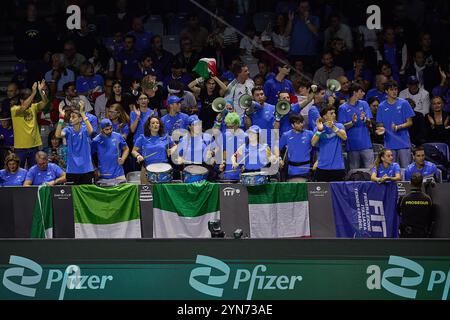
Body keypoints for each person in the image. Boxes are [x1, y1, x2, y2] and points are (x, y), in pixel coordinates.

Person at [375, 81, 415, 168]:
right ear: (386, 91)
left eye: (396, 89)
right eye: (391, 90)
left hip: (404, 143)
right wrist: (380, 130)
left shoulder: (404, 103)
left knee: (406, 169)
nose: (394, 92)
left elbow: (410, 122)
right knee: (392, 170)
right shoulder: (381, 106)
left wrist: (398, 127)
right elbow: (380, 124)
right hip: (389, 144)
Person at [11, 80, 48, 168]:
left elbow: (45, 102)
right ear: (21, 100)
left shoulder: (33, 107)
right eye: (28, 98)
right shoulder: (14, 109)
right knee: (19, 171)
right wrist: (33, 93)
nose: (31, 100)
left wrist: (40, 91)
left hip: (34, 146)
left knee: (34, 171)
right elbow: (23, 107)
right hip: (20, 147)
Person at [55, 101, 94, 185]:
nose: (70, 119)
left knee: (87, 195)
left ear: (80, 119)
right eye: (70, 117)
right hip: (72, 170)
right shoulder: (68, 130)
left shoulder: (84, 129)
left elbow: (91, 131)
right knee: (71, 196)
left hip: (86, 170)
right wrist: (61, 118)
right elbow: (57, 135)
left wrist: (82, 113)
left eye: (73, 117)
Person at [338, 83, 374, 169]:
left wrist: (364, 119)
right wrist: (352, 122)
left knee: (370, 170)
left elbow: (370, 123)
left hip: (366, 144)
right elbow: (341, 127)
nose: (364, 93)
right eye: (361, 91)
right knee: (354, 172)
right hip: (352, 146)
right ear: (355, 92)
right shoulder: (343, 108)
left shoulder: (364, 104)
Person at [131, 116, 176, 184]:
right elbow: (134, 151)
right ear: (149, 126)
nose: (155, 124)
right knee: (148, 194)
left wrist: (172, 149)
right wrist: (138, 156)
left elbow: (175, 146)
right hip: (147, 170)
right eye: (153, 123)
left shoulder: (166, 137)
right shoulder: (142, 138)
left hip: (163, 170)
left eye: (157, 123)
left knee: (162, 194)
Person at [311, 106, 347, 182]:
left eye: (334, 113)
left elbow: (344, 137)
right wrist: (319, 130)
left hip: (338, 167)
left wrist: (333, 127)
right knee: (322, 193)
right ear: (324, 116)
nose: (334, 115)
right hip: (322, 167)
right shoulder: (318, 128)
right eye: (331, 113)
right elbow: (313, 143)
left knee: (338, 193)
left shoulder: (339, 126)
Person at [277, 114, 313, 182]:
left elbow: (318, 147)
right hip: (292, 171)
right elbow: (277, 148)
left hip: (307, 169)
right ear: (292, 125)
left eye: (302, 122)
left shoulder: (310, 134)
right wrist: (279, 159)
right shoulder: (286, 135)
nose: (301, 124)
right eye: (298, 123)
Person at [397, 172, 434, 238]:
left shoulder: (403, 199)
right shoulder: (428, 199)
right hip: (423, 235)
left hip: (407, 234)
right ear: (421, 183)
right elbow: (431, 217)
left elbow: (399, 213)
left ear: (410, 183)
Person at [217, 112, 246, 181]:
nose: (230, 129)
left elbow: (247, 153)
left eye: (232, 126)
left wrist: (245, 165)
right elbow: (224, 151)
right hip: (229, 169)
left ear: (237, 124)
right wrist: (223, 162)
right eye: (228, 126)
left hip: (241, 170)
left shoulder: (245, 136)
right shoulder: (225, 135)